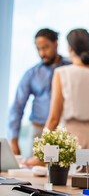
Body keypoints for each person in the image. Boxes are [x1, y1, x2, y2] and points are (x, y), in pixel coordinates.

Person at [45, 28, 89, 174]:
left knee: (68, 188)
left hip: (71, 139)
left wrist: (42, 149)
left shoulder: (62, 73)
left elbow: (54, 118)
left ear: (69, 48)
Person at [8, 28, 71, 156]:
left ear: (56, 44)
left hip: (63, 131)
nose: (42, 53)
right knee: (34, 170)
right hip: (38, 131)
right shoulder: (31, 74)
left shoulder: (70, 69)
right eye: (38, 49)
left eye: (45, 47)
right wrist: (14, 139)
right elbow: (18, 106)